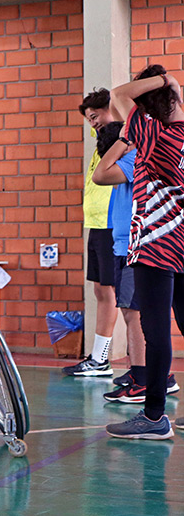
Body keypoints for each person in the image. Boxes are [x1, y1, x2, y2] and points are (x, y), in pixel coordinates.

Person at [105, 64, 184, 439]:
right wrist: (176, 91)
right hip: (182, 245)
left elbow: (118, 94)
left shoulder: (153, 134)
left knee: (156, 332)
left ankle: (153, 417)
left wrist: (166, 78)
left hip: (156, 246)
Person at [91, 123, 178, 403]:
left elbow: (99, 175)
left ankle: (144, 379)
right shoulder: (129, 157)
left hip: (135, 245)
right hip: (122, 244)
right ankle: (145, 372)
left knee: (134, 314)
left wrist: (124, 141)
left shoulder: (132, 157)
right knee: (132, 312)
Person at [64, 90, 118, 376]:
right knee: (99, 289)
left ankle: (102, 359)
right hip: (95, 225)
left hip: (112, 225)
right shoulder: (102, 145)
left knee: (111, 293)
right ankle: (97, 357)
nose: (93, 124)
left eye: (95, 117)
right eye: (89, 120)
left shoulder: (121, 141)